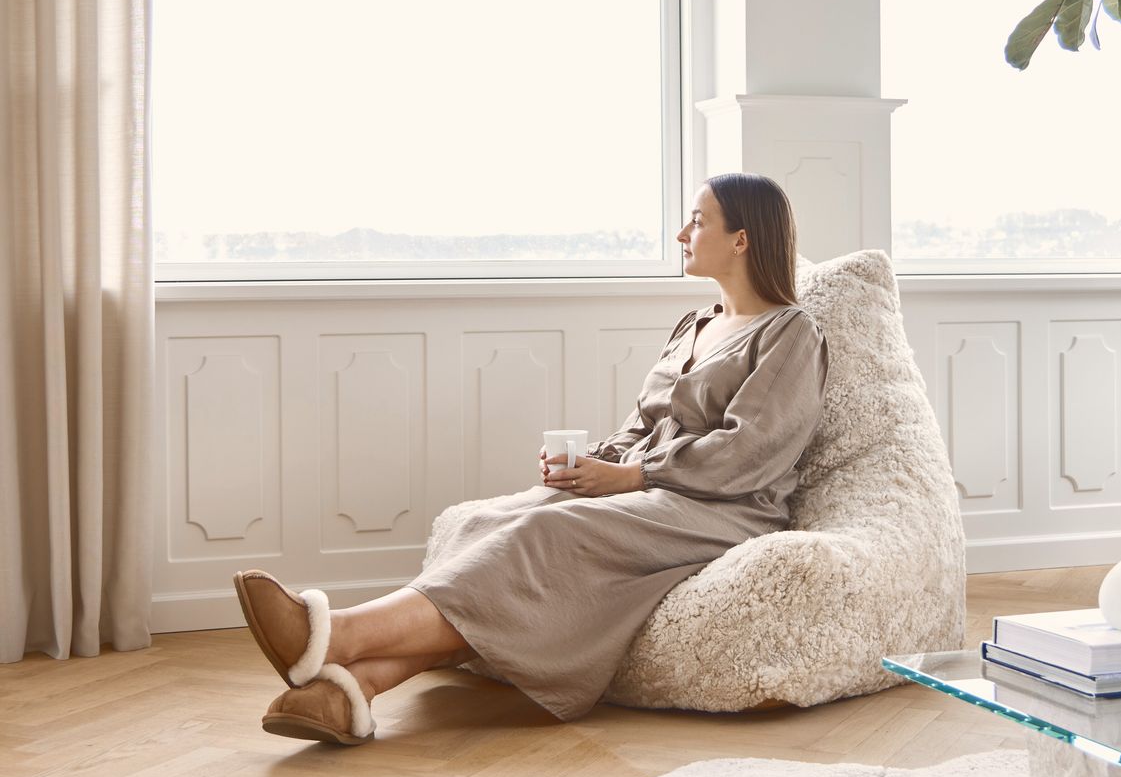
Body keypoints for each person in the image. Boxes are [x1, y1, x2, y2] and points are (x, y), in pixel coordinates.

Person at [234, 173, 830, 744]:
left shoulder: (790, 333)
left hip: (723, 508)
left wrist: (632, 475)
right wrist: (590, 465)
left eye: (696, 222)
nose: (681, 234)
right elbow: (641, 425)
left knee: (546, 529)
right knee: (482, 520)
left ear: (741, 239)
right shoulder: (693, 325)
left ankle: (333, 636)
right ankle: (353, 691)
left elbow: (750, 450)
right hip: (650, 490)